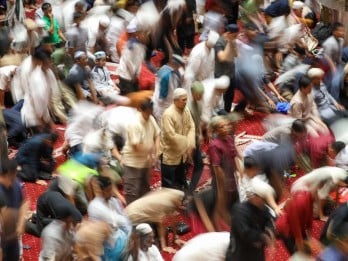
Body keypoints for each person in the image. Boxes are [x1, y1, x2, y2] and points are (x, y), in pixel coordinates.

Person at [225, 177, 276, 261]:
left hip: (256, 254)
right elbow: (245, 233)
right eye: (262, 198)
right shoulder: (239, 210)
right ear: (254, 196)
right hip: (240, 254)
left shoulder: (262, 208)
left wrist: (269, 230)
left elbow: (270, 219)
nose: (264, 201)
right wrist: (263, 237)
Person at [122, 98, 160, 204]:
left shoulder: (151, 118)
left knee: (144, 189)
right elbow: (136, 147)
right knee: (132, 192)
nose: (148, 115)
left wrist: (156, 152)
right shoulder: (134, 124)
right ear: (141, 110)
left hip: (145, 161)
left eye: (150, 112)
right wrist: (152, 150)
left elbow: (157, 135)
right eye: (146, 113)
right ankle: (133, 217)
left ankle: (144, 214)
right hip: (133, 162)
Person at [125, 188, 185, 253]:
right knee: (148, 245)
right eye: (180, 202)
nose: (180, 205)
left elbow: (173, 217)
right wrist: (164, 247)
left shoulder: (171, 194)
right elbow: (161, 226)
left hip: (134, 211)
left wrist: (175, 238)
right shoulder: (166, 203)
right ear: (177, 200)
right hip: (132, 219)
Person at [160, 88, 195, 190]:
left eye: (186, 99)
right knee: (169, 184)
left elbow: (191, 126)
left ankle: (181, 198)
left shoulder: (186, 110)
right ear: (175, 101)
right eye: (183, 100)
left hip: (181, 153)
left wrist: (190, 142)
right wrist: (188, 143)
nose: (185, 102)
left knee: (180, 179)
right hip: (170, 154)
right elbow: (171, 136)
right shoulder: (168, 114)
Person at [88, 176, 130, 260]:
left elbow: (123, 216)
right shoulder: (95, 207)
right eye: (108, 190)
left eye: (111, 189)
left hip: (119, 234)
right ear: (102, 191)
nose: (111, 193)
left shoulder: (113, 200)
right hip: (109, 243)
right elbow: (116, 222)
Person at [208, 115, 239, 229]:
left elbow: (234, 154)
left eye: (226, 125)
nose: (226, 128)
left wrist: (240, 173)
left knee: (234, 200)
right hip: (222, 179)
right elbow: (216, 167)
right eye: (222, 127)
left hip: (231, 175)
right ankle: (226, 227)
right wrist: (223, 183)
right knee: (222, 203)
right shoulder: (214, 145)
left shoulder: (229, 138)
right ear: (216, 130)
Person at [0, 159, 29, 261]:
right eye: (11, 178)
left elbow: (25, 202)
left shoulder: (16, 183)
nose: (14, 181)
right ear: (3, 175)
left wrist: (21, 223)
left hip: (13, 236)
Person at [116, 18, 147, 95]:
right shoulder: (131, 45)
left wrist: (136, 75)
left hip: (133, 75)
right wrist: (133, 75)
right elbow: (128, 61)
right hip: (126, 74)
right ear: (137, 33)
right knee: (128, 96)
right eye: (143, 33)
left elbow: (139, 61)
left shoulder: (141, 45)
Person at [153, 54, 186, 124]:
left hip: (170, 104)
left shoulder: (174, 72)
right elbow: (162, 96)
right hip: (163, 106)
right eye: (178, 66)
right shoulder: (166, 75)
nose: (179, 68)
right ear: (175, 65)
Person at [214, 24, 239, 112]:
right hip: (222, 75)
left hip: (231, 73)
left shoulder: (232, 40)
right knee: (220, 100)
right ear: (228, 33)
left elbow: (236, 55)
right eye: (234, 35)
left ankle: (227, 112)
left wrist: (232, 42)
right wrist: (229, 42)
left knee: (230, 97)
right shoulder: (219, 42)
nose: (236, 37)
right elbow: (222, 58)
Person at [188, 81, 204, 193]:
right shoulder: (187, 108)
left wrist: (201, 134)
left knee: (199, 165)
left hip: (195, 139)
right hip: (188, 141)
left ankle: (190, 190)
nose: (201, 97)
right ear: (193, 93)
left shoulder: (199, 104)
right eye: (199, 94)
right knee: (184, 167)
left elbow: (198, 122)